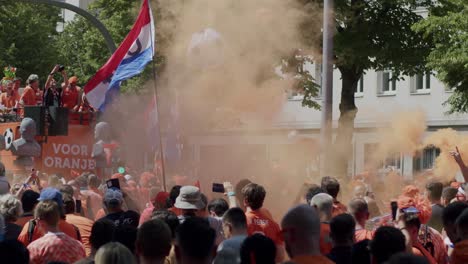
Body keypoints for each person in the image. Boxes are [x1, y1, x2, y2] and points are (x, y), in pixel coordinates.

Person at [242, 183, 284, 261]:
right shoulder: (274, 225)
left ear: (245, 200)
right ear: (262, 201)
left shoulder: (240, 223)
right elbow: (280, 257)